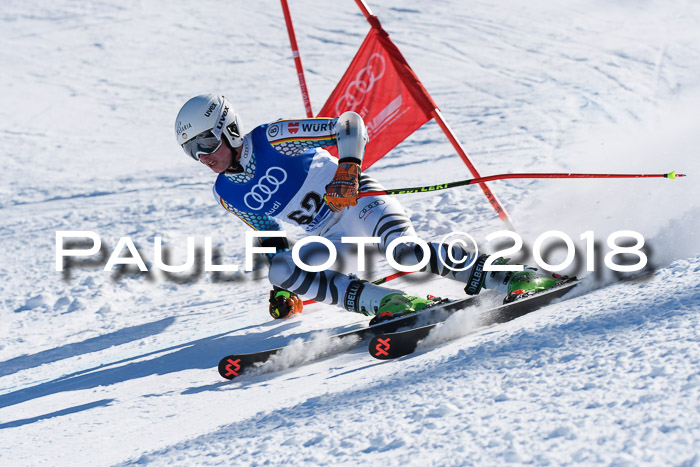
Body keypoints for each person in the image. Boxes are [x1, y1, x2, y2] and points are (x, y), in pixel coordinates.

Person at [174, 94, 564, 320]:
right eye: (192, 150)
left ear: (228, 128)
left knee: (406, 251)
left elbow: (349, 125)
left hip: (359, 198)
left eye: (205, 143)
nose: (202, 156)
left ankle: (515, 276)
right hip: (330, 235)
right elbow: (268, 234)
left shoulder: (272, 138)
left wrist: (347, 168)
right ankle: (388, 303)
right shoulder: (226, 191)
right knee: (280, 266)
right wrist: (282, 288)